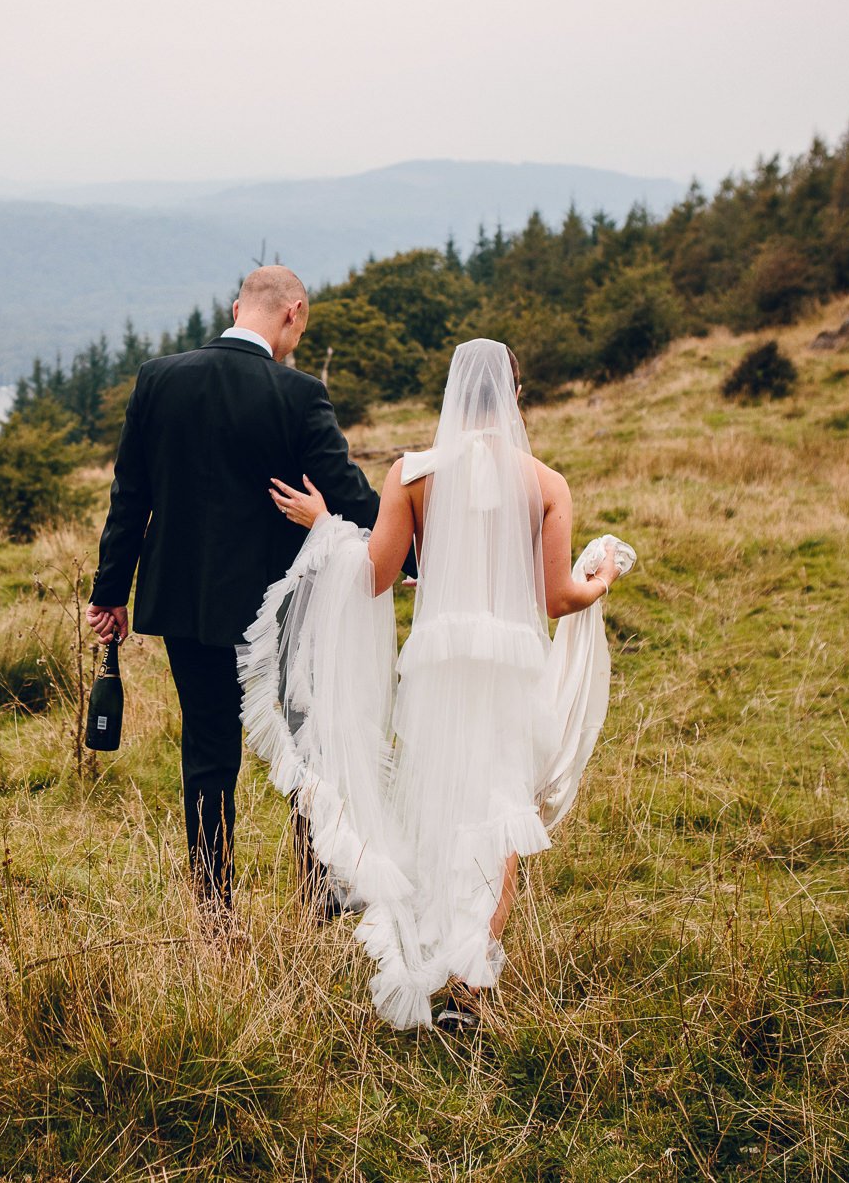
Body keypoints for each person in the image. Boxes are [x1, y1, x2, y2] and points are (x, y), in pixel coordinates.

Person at [248, 339, 633, 1028]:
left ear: (453, 397)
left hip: (433, 665)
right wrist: (599, 575)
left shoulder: (412, 475)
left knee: (438, 803)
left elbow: (374, 574)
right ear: (515, 396)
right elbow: (556, 597)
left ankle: (430, 951)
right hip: (512, 667)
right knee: (499, 811)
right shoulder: (546, 484)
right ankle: (469, 986)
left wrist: (324, 524)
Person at [87, 265, 381, 913]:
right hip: (277, 613)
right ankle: (317, 892)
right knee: (306, 745)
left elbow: (128, 499)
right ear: (293, 312)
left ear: (234, 307)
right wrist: (410, 538)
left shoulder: (157, 379)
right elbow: (351, 495)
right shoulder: (298, 394)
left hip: (185, 606)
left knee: (208, 754)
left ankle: (215, 912)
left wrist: (110, 593)